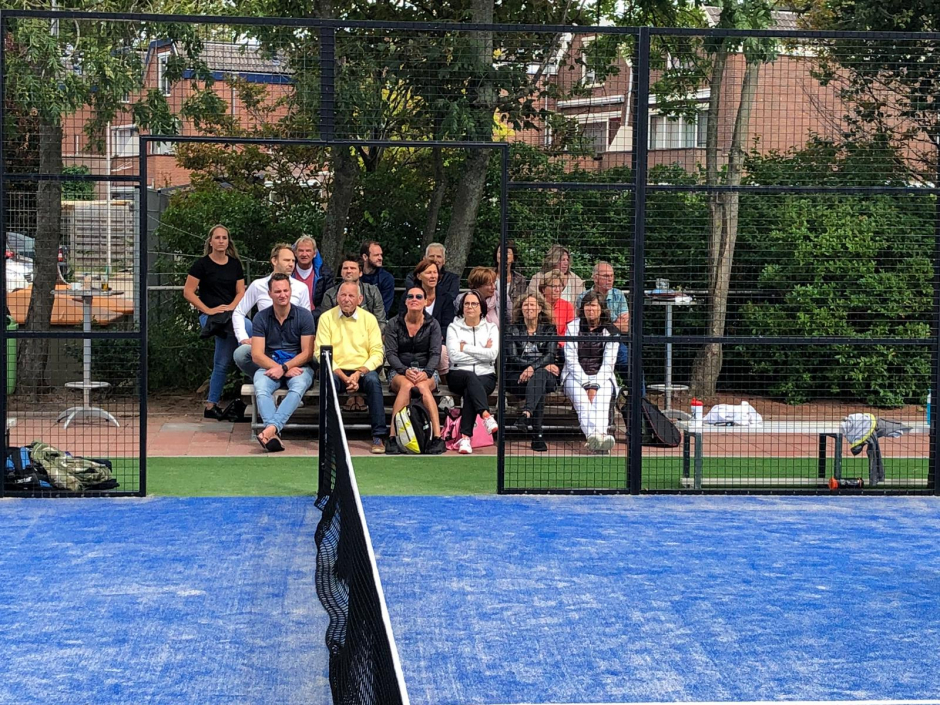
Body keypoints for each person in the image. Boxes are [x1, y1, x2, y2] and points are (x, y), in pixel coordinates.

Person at [315, 281, 388, 454]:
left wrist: (358, 373)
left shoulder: (369, 319)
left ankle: (378, 436)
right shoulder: (326, 318)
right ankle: (329, 436)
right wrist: (343, 376)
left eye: (351, 295)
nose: (346, 299)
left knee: (373, 382)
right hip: (336, 370)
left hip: (362, 371)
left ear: (360, 299)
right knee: (329, 382)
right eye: (343, 295)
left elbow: (377, 353)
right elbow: (320, 352)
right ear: (337, 297)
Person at [183, 224, 246, 420]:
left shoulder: (235, 265)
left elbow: (241, 291)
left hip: (230, 316)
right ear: (210, 241)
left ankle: (211, 405)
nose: (221, 241)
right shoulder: (202, 265)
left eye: (224, 238)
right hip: (211, 317)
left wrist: (231, 308)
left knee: (222, 361)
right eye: (217, 237)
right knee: (252, 336)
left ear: (228, 242)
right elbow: (188, 292)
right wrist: (208, 310)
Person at [251, 273, 316, 452]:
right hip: (270, 365)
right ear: (269, 294)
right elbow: (256, 355)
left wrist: (286, 367)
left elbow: (308, 353)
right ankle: (273, 434)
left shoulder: (304, 316)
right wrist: (280, 368)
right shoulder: (261, 317)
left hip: (299, 367)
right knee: (261, 387)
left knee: (298, 386)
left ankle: (270, 430)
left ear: (291, 291)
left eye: (286, 290)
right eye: (278, 291)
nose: (282, 295)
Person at [233, 244, 311, 379]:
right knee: (241, 353)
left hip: (292, 347)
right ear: (274, 261)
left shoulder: (301, 288)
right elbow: (239, 312)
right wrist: (242, 338)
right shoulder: (258, 285)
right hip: (265, 344)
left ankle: (282, 375)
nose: (291, 264)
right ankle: (266, 376)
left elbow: (306, 317)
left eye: (293, 261)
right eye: (286, 260)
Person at [384, 286, 446, 455]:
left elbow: (435, 353)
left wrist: (426, 372)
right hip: (399, 372)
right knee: (406, 386)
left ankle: (437, 438)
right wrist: (404, 370)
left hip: (427, 371)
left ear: (425, 302)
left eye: (419, 296)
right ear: (405, 301)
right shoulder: (393, 323)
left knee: (423, 387)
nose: (414, 299)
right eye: (410, 296)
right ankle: (392, 438)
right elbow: (391, 353)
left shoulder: (433, 324)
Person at [562, 291, 619, 453]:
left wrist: (595, 385)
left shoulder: (611, 331)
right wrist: (587, 384)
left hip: (603, 377)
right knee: (583, 401)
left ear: (601, 308)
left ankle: (598, 437)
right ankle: (597, 437)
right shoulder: (573, 327)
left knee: (602, 400)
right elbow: (571, 360)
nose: (590, 309)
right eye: (587, 305)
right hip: (574, 376)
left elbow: (609, 363)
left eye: (593, 305)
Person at [445, 290, 500, 455]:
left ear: (481, 307)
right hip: (458, 374)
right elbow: (454, 356)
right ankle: (486, 415)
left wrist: (466, 348)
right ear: (462, 307)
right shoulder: (454, 327)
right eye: (466, 304)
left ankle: (465, 438)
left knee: (471, 390)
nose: (470, 307)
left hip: (486, 375)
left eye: (474, 304)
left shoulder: (491, 328)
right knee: (470, 378)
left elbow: (492, 355)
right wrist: (482, 351)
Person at [505, 292, 559, 452]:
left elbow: (551, 355)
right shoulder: (512, 329)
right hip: (517, 376)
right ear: (520, 309)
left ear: (540, 308)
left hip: (544, 377)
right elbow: (513, 358)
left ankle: (526, 414)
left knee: (539, 377)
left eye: (532, 305)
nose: (529, 308)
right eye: (526, 305)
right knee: (538, 384)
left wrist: (533, 368)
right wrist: (536, 367)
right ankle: (537, 435)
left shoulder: (549, 329)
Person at [576, 261, 632, 380]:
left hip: (614, 340)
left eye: (612, 276)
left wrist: (600, 324)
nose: (610, 279)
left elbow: (626, 327)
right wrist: (613, 324)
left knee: (632, 365)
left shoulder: (618, 295)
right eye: (606, 276)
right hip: (589, 341)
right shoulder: (583, 297)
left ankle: (637, 393)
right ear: (595, 278)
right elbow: (583, 325)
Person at [315, 254, 387, 331]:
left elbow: (381, 322)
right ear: (341, 272)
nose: (349, 271)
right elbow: (324, 322)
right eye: (345, 268)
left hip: (367, 335)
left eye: (353, 268)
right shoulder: (330, 294)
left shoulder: (372, 292)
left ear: (360, 273)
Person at [409, 258, 455, 337]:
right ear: (419, 276)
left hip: (438, 339)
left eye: (435, 272)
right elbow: (404, 321)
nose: (433, 276)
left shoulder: (446, 298)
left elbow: (447, 325)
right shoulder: (410, 296)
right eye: (428, 273)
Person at [292, 235, 333, 309]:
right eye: (301, 250)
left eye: (308, 251)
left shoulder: (324, 274)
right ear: (295, 253)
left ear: (314, 254)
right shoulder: (288, 273)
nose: (304, 254)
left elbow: (327, 302)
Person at [359, 241, 395, 316]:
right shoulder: (355, 275)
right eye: (376, 255)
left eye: (381, 255)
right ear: (365, 257)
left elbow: (384, 309)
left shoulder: (386, 278)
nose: (380, 258)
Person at [539, 269, 575, 336]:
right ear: (543, 289)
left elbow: (570, 332)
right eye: (553, 286)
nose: (557, 290)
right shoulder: (537, 305)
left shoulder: (567, 306)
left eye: (559, 286)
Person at [493, 240, 527, 306]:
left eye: (507, 252)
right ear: (496, 256)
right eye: (500, 252)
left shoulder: (520, 280)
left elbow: (521, 303)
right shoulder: (487, 276)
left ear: (513, 258)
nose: (503, 255)